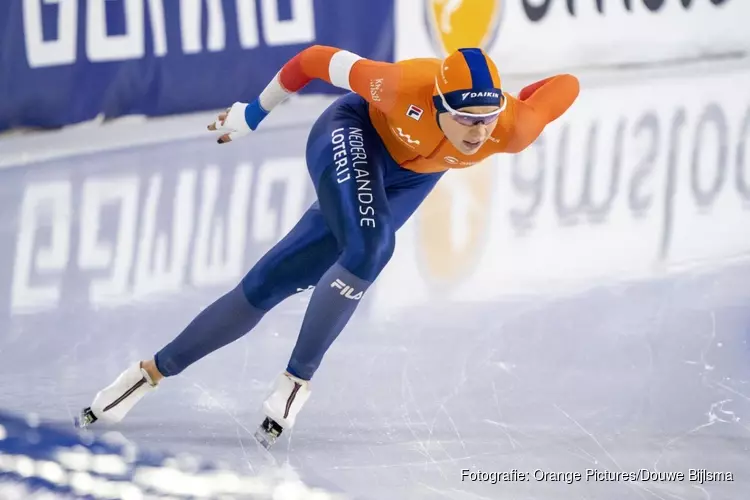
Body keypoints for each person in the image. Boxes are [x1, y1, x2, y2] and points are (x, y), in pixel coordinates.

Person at [75, 45, 579, 447]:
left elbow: (567, 85)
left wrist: (513, 99)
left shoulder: (511, 129)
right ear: (436, 104)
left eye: (487, 117)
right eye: (466, 118)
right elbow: (313, 60)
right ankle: (296, 381)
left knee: (274, 280)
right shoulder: (398, 85)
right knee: (371, 247)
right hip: (353, 132)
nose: (479, 131)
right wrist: (253, 112)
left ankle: (147, 373)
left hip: (411, 180)